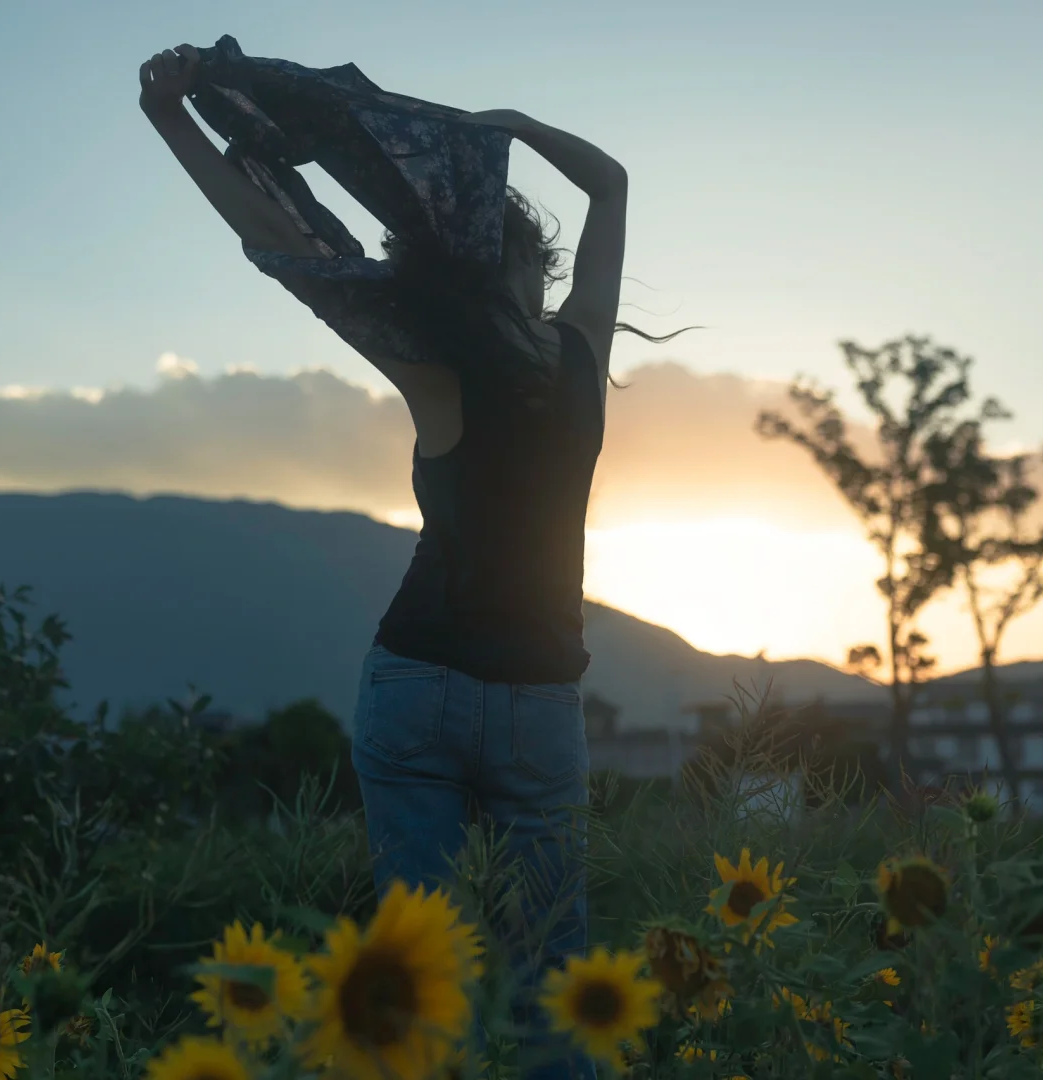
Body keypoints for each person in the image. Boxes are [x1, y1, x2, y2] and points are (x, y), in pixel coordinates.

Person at [140, 42, 694, 1080]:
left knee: (413, 974)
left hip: (417, 682)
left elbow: (275, 238)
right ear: (535, 271)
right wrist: (506, 127)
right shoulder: (576, 361)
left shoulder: (428, 361)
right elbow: (608, 182)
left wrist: (169, 119)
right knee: (548, 974)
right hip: (537, 701)